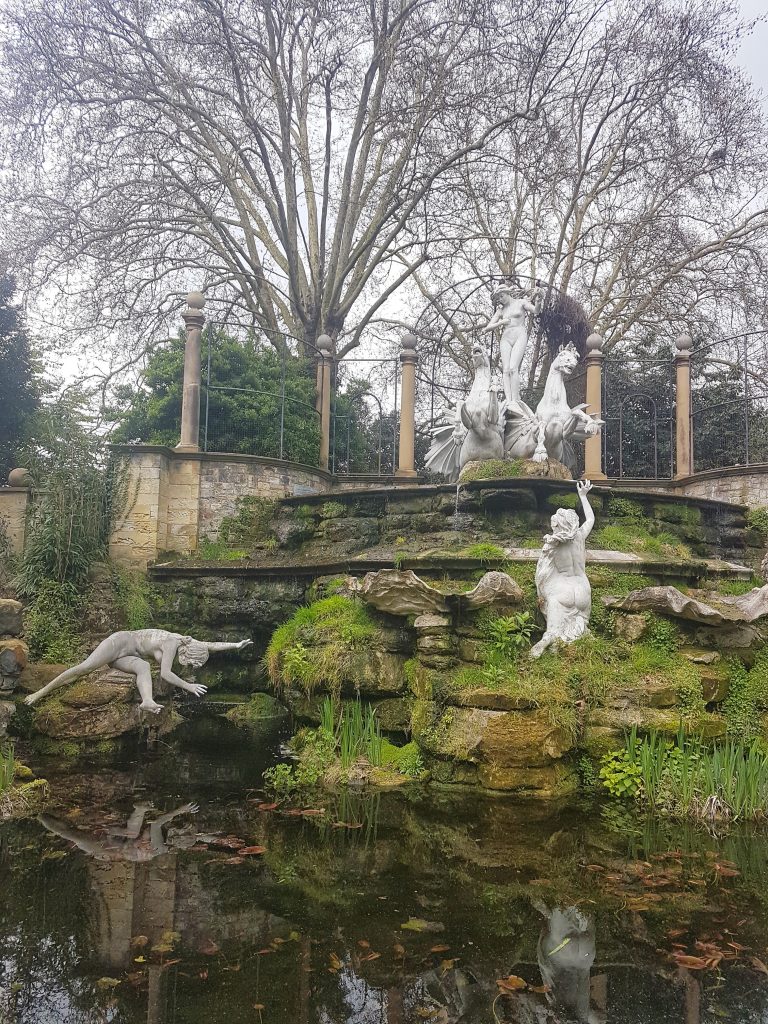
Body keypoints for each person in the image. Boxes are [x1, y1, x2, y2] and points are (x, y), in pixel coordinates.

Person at [24, 629, 252, 713]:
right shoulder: (173, 643)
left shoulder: (188, 643)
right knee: (84, 668)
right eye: (191, 664)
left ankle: (147, 701)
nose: (188, 666)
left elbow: (210, 646)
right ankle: (40, 693)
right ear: (189, 654)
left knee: (143, 666)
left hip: (131, 656)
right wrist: (189, 686)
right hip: (121, 642)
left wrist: (235, 645)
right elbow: (165, 674)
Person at [531, 479, 594, 658]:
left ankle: (547, 642)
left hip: (562, 591)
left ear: (558, 524)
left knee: (552, 631)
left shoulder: (553, 544)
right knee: (581, 624)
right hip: (583, 588)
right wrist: (583, 496)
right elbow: (590, 518)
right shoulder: (580, 536)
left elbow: (543, 571)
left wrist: (542, 592)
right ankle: (581, 639)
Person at [482, 284, 540, 404]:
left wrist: (538, 301)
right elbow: (486, 328)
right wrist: (501, 322)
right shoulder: (501, 310)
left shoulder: (521, 302)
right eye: (498, 299)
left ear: (507, 293)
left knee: (513, 368)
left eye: (501, 296)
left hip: (519, 334)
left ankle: (515, 399)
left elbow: (536, 311)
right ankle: (508, 401)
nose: (500, 300)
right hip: (506, 337)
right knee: (506, 369)